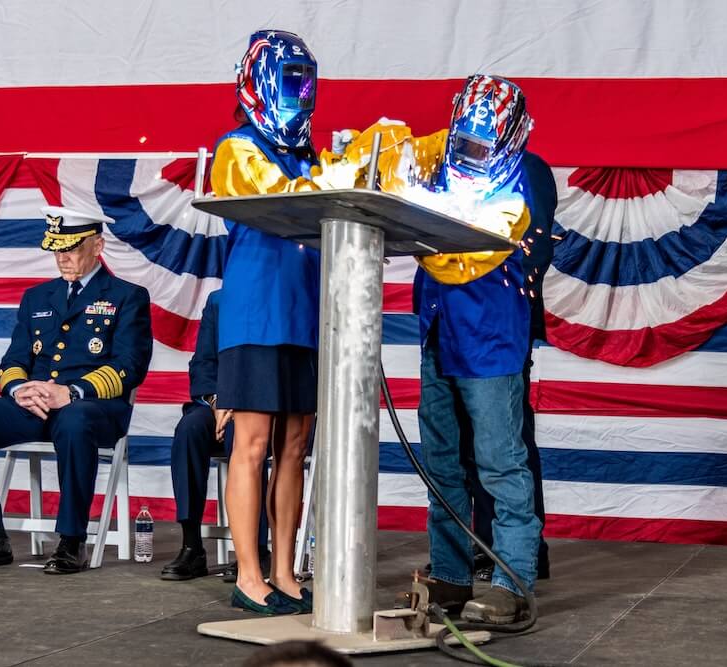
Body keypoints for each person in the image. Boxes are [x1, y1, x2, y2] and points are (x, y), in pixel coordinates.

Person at [365, 75, 542, 624]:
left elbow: (467, 253)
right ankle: (450, 575)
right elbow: (392, 161)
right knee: (441, 464)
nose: (467, 155)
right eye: (463, 143)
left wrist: (420, 228)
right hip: (438, 336)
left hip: (490, 344)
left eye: (479, 147)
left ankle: (512, 582)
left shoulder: (524, 180)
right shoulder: (439, 157)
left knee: (500, 465)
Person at [211, 29, 321, 615]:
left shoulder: (311, 155)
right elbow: (283, 198)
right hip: (256, 314)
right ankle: (249, 575)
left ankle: (284, 570)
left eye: (306, 83)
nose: (299, 94)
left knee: (295, 446)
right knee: (251, 445)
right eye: (289, 81)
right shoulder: (237, 148)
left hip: (307, 315)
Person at [0, 206, 152, 574]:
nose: (62, 258)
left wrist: (72, 391)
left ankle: (72, 540)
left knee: (74, 421)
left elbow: (130, 366)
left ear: (98, 246)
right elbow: (14, 359)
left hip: (94, 409)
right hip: (36, 407)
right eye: (57, 249)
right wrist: (19, 389)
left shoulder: (127, 296)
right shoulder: (37, 297)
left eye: (71, 248)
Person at [464, 149, 556, 583]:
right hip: (459, 322)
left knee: (506, 437)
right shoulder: (460, 168)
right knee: (470, 441)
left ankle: (521, 551)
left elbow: (534, 249)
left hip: (503, 323)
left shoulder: (527, 168)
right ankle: (484, 543)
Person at [159, 289, 271, 581]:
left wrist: (241, 404)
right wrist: (217, 400)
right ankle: (191, 546)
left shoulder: (282, 298)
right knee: (189, 430)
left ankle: (256, 550)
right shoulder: (219, 300)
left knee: (242, 434)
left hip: (269, 407)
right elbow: (203, 363)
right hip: (220, 403)